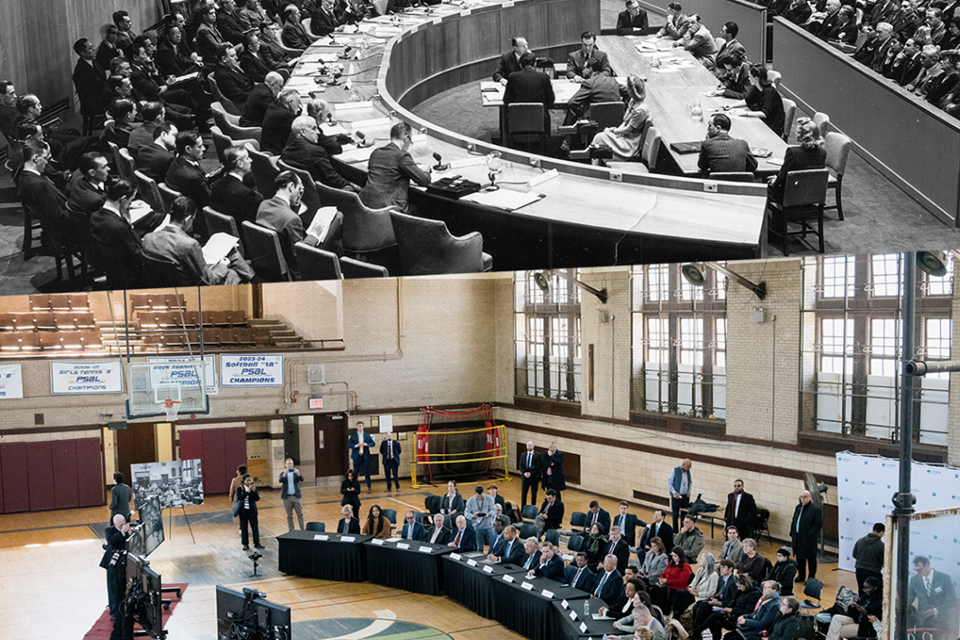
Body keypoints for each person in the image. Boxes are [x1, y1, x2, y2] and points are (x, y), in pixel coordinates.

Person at [143, 196, 255, 285]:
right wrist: (223, 265)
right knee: (234, 272)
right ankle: (256, 283)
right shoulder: (190, 245)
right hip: (194, 289)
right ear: (187, 220)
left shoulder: (148, 238)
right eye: (193, 220)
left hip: (169, 284)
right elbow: (209, 281)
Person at [359, 122, 432, 213]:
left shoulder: (376, 152)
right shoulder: (402, 156)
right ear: (406, 138)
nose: (410, 144)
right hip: (390, 210)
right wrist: (426, 171)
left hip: (366, 206)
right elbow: (424, 180)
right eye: (410, 140)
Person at [90, 176, 146, 290]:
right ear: (123, 199)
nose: (130, 205)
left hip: (112, 272)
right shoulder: (119, 226)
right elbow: (138, 255)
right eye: (130, 201)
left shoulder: (94, 217)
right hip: (130, 277)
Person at [281, 116, 359, 191]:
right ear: (303, 132)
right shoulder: (316, 151)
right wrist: (352, 185)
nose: (318, 132)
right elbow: (333, 179)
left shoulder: (286, 150)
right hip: (321, 195)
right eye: (314, 129)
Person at [560, 65, 624, 154]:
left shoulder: (589, 83)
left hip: (596, 122)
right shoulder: (613, 80)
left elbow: (571, 102)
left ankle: (566, 143)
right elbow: (627, 91)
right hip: (616, 120)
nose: (582, 71)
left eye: (584, 68)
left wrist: (581, 113)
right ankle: (567, 142)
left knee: (574, 110)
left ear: (590, 69)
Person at [767, 117, 827, 204]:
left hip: (789, 195)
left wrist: (774, 181)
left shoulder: (793, 152)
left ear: (801, 135)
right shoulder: (823, 153)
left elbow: (781, 179)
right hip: (810, 195)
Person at [589, 75, 648, 161]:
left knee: (600, 137)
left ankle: (595, 165)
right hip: (623, 136)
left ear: (631, 91)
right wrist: (616, 130)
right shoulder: (632, 102)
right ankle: (595, 164)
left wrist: (613, 131)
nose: (626, 89)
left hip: (630, 144)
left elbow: (628, 130)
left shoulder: (640, 110)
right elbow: (625, 122)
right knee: (600, 137)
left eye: (628, 88)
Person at [503, 51, 555, 138]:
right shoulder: (544, 77)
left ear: (520, 65)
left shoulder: (512, 77)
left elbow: (506, 100)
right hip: (539, 120)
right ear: (535, 64)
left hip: (517, 120)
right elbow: (551, 99)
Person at [210, 145, 263, 226]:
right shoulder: (248, 195)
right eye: (247, 158)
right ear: (240, 164)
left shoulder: (216, 184)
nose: (251, 160)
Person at [726, 65, 786, 137]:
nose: (748, 78)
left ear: (756, 78)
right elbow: (747, 101)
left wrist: (744, 113)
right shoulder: (756, 87)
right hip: (763, 121)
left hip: (772, 126)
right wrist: (731, 106)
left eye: (750, 77)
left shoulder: (769, 92)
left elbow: (764, 114)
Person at [908, 555, 957, 635]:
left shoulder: (945, 578)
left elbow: (952, 601)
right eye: (915, 570)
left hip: (941, 623)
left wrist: (935, 610)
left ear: (927, 565)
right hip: (922, 623)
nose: (917, 573)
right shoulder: (914, 581)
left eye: (920, 570)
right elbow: (908, 600)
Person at [824, 575, 882, 640]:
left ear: (875, 588)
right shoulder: (865, 597)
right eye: (864, 588)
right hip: (856, 620)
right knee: (836, 618)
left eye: (867, 588)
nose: (865, 590)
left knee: (836, 630)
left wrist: (865, 612)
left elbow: (876, 621)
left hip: (865, 627)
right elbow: (852, 614)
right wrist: (852, 608)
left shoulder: (879, 602)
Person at [165, 130, 212, 209]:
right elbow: (211, 200)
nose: (204, 149)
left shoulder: (176, 162)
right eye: (200, 146)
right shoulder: (193, 177)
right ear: (188, 149)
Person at [690, 559, 738, 634]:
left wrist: (720, 603)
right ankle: (696, 633)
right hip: (717, 603)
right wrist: (714, 600)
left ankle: (695, 633)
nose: (721, 569)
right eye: (721, 567)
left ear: (730, 569)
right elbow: (717, 593)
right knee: (697, 606)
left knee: (702, 610)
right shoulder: (721, 578)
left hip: (724, 606)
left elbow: (733, 601)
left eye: (724, 568)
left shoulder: (733, 582)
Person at [100, 514, 132, 619]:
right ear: (114, 524)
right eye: (120, 525)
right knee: (112, 587)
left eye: (124, 524)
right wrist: (123, 532)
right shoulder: (109, 531)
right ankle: (114, 611)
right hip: (112, 563)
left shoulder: (127, 530)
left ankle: (124, 607)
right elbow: (112, 541)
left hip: (124, 562)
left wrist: (130, 534)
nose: (123, 526)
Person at [671, 552, 718, 618]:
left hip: (701, 597)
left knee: (685, 599)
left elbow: (711, 593)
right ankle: (675, 615)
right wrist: (690, 588)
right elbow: (693, 583)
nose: (699, 560)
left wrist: (697, 594)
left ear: (707, 562)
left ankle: (679, 616)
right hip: (693, 592)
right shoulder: (700, 570)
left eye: (701, 559)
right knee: (679, 593)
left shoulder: (713, 575)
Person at [789, 490, 822, 583]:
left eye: (805, 497)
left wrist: (810, 534)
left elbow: (818, 524)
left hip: (809, 539)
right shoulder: (798, 507)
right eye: (801, 497)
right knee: (800, 558)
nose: (802, 499)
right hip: (798, 537)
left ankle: (811, 577)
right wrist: (792, 531)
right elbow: (794, 520)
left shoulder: (815, 509)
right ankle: (801, 575)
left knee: (811, 558)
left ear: (810, 497)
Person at [650, 549, 693, 613]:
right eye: (672, 556)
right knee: (653, 590)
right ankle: (652, 608)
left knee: (661, 592)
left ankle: (662, 611)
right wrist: (661, 578)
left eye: (675, 556)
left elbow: (681, 581)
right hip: (667, 584)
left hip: (677, 588)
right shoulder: (671, 563)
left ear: (680, 556)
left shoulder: (685, 567)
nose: (673, 557)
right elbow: (664, 573)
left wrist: (667, 581)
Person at [261, 87, 302, 155]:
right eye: (298, 102)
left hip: (267, 146)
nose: (299, 105)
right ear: (290, 102)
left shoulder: (274, 105)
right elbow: (294, 134)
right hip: (277, 152)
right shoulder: (285, 115)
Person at [852, 523, 885, 594]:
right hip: (873, 573)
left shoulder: (860, 541)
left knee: (862, 591)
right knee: (875, 593)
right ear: (881, 533)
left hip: (859, 570)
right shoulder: (881, 546)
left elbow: (854, 555)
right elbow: (884, 562)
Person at [464, 484, 496, 553]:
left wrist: (489, 514)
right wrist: (472, 516)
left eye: (481, 495)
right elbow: (466, 513)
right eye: (478, 496)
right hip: (477, 527)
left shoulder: (489, 498)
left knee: (493, 545)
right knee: (479, 547)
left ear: (483, 493)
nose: (479, 497)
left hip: (489, 526)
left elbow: (494, 510)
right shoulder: (470, 501)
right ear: (475, 494)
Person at [236, 474, 265, 551]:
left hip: (252, 511)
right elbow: (239, 497)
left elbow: (257, 498)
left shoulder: (253, 488)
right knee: (244, 528)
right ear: (244, 481)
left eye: (250, 480)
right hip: (243, 511)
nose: (249, 482)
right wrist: (247, 492)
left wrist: (254, 491)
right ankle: (245, 544)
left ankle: (257, 543)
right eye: (247, 480)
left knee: (255, 527)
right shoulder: (240, 488)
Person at [348, 421, 376, 491]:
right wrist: (355, 445)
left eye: (361, 426)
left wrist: (367, 444)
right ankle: (354, 487)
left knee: (367, 472)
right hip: (356, 456)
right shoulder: (353, 436)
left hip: (365, 456)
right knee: (355, 473)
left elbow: (373, 443)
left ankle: (369, 487)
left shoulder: (367, 435)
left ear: (363, 427)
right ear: (357, 427)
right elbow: (348, 445)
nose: (360, 427)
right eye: (359, 426)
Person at [278, 458, 304, 532]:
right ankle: (291, 530)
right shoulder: (282, 474)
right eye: (288, 464)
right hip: (287, 498)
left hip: (296, 496)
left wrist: (298, 474)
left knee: (300, 514)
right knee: (289, 515)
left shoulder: (295, 473)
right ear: (285, 465)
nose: (290, 465)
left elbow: (302, 479)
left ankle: (303, 530)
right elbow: (280, 480)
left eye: (291, 464)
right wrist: (284, 474)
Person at [519, 440, 541, 508]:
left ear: (533, 446)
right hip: (525, 477)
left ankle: (532, 509)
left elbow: (538, 467)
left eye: (530, 445)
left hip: (534, 478)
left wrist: (531, 473)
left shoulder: (538, 455)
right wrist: (524, 473)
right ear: (526, 446)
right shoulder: (523, 455)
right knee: (523, 494)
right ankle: (523, 510)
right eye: (528, 445)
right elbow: (520, 465)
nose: (529, 447)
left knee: (533, 495)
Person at [228, 465, 247, 533]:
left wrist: (231, 498)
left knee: (239, 512)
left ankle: (241, 527)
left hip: (238, 497)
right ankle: (245, 526)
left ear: (239, 472)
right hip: (247, 497)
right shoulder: (248, 479)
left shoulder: (235, 480)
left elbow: (232, 490)